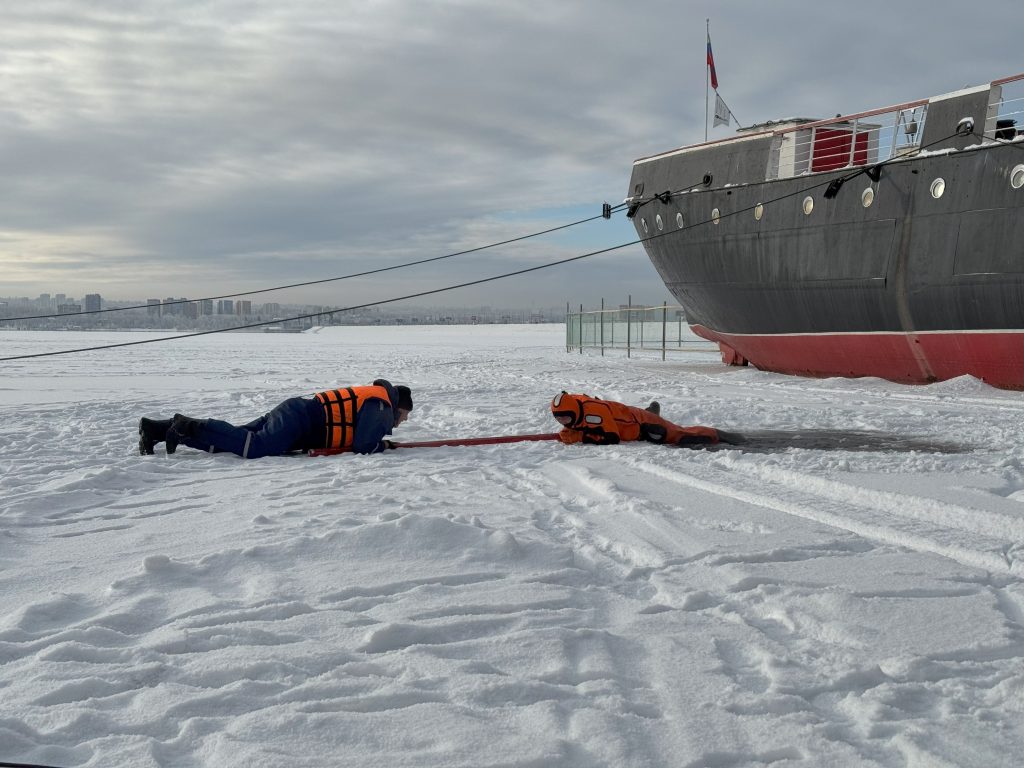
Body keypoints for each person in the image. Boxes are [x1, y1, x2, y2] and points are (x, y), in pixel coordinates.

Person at [138, 379, 413, 458]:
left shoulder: (376, 399)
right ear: (398, 406)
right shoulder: (380, 404)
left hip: (295, 414)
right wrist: (382, 446)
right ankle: (186, 424)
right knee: (253, 447)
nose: (401, 422)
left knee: (232, 442)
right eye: (404, 415)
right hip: (298, 420)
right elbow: (364, 444)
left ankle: (158, 430)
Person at [550, 391, 738, 447]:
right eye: (560, 420)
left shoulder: (595, 414)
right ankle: (652, 410)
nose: (564, 423)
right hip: (626, 414)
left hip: (641, 425)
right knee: (638, 415)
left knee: (678, 434)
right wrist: (576, 428)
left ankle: (718, 434)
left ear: (575, 412)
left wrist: (579, 437)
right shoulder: (575, 404)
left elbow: (612, 438)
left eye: (567, 418)